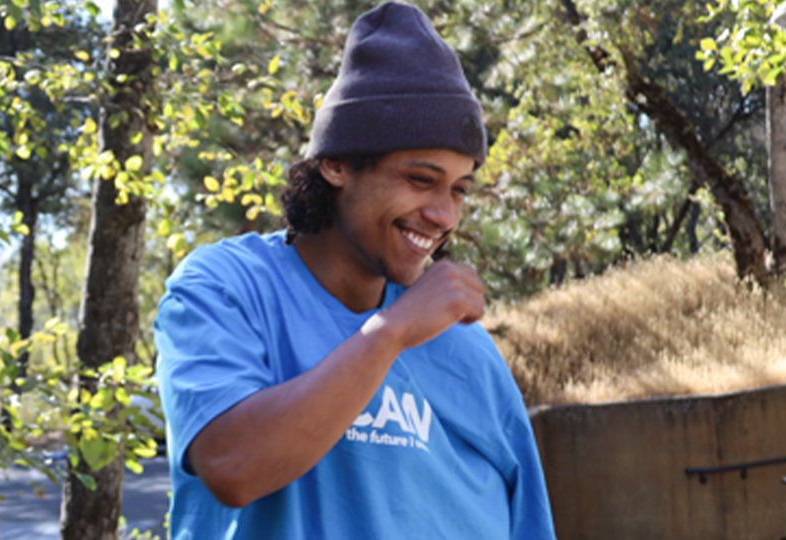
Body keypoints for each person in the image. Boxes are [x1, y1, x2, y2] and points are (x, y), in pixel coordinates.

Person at [153, 3, 556, 539]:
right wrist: (391, 332)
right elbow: (232, 466)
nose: (444, 215)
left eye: (458, 189)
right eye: (420, 179)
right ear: (336, 163)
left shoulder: (466, 349)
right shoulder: (226, 289)